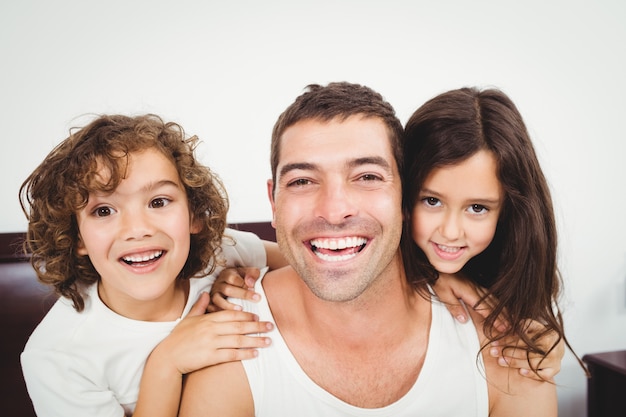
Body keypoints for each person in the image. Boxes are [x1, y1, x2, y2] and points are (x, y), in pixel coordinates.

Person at [179, 82, 560, 416]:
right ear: (273, 202)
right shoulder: (225, 338)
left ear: (404, 196)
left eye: (367, 177)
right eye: (302, 181)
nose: (333, 210)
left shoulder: (505, 347)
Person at [19, 114, 280, 417]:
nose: (137, 229)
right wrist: (166, 363)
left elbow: (306, 268)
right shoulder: (58, 357)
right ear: (76, 236)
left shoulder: (219, 253)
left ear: (194, 215)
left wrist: (247, 278)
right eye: (104, 210)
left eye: (158, 202)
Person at [400, 86, 584, 380]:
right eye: (432, 201)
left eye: (477, 208)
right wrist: (428, 275)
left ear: (508, 212)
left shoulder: (508, 288)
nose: (450, 231)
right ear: (403, 194)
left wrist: (545, 342)